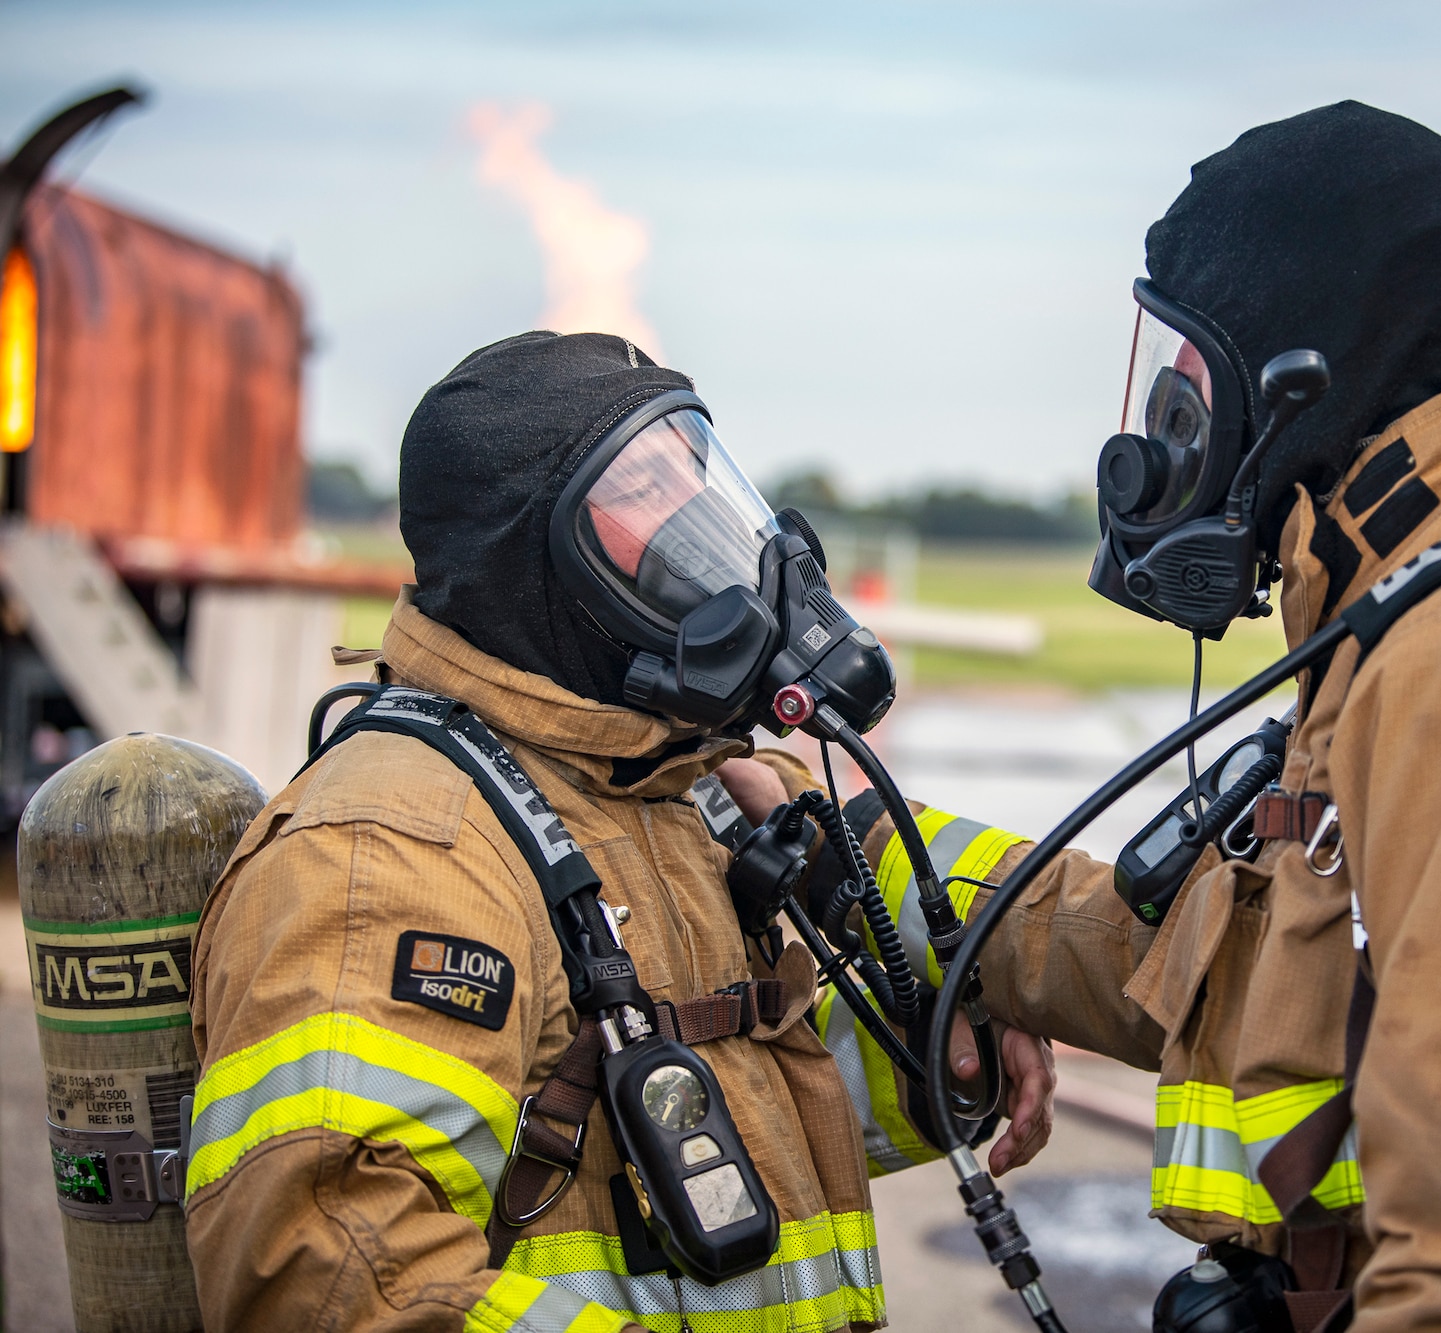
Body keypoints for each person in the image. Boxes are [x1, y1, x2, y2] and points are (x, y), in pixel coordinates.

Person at [736, 102, 1441, 1332]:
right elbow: (1198, 974)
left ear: (1303, 377)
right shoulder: (1424, 599)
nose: (1161, 443)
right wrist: (861, 845)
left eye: (1187, 387)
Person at [184, 331, 1054, 1332]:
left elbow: (718, 1106)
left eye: (698, 479)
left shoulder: (667, 788)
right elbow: (327, 1282)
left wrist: (946, 1028)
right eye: (643, 489)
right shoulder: (382, 854)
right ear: (539, 563)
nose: (700, 527)